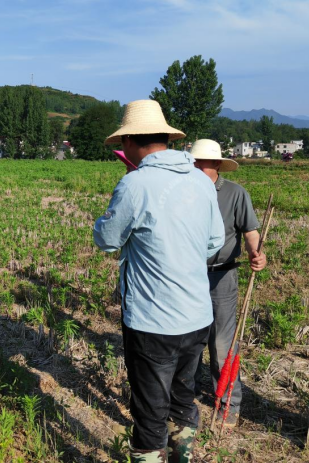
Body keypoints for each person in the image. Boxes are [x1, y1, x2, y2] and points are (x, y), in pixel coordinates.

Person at [93, 100, 225, 463]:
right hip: (197, 316)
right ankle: (181, 456)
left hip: (153, 322)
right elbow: (215, 241)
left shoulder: (135, 184)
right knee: (183, 400)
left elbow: (107, 239)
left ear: (132, 140)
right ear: (166, 138)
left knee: (150, 414)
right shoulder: (201, 181)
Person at [191, 139, 267, 427]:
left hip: (222, 276)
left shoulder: (235, 193)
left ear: (218, 166)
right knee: (190, 340)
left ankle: (228, 405)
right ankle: (190, 393)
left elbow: (250, 230)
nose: (198, 167)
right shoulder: (185, 191)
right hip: (189, 275)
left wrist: (255, 253)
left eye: (204, 163)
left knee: (222, 344)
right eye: (194, 163)